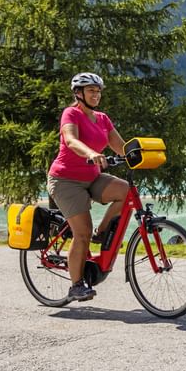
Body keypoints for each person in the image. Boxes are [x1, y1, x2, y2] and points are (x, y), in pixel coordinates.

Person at [47, 73, 129, 302]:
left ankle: (101, 233)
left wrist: (141, 156)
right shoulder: (71, 113)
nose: (96, 95)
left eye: (98, 91)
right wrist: (91, 153)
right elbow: (71, 140)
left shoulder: (102, 119)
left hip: (91, 177)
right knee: (81, 233)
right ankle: (76, 285)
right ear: (79, 94)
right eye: (91, 91)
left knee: (125, 191)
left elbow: (120, 146)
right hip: (65, 181)